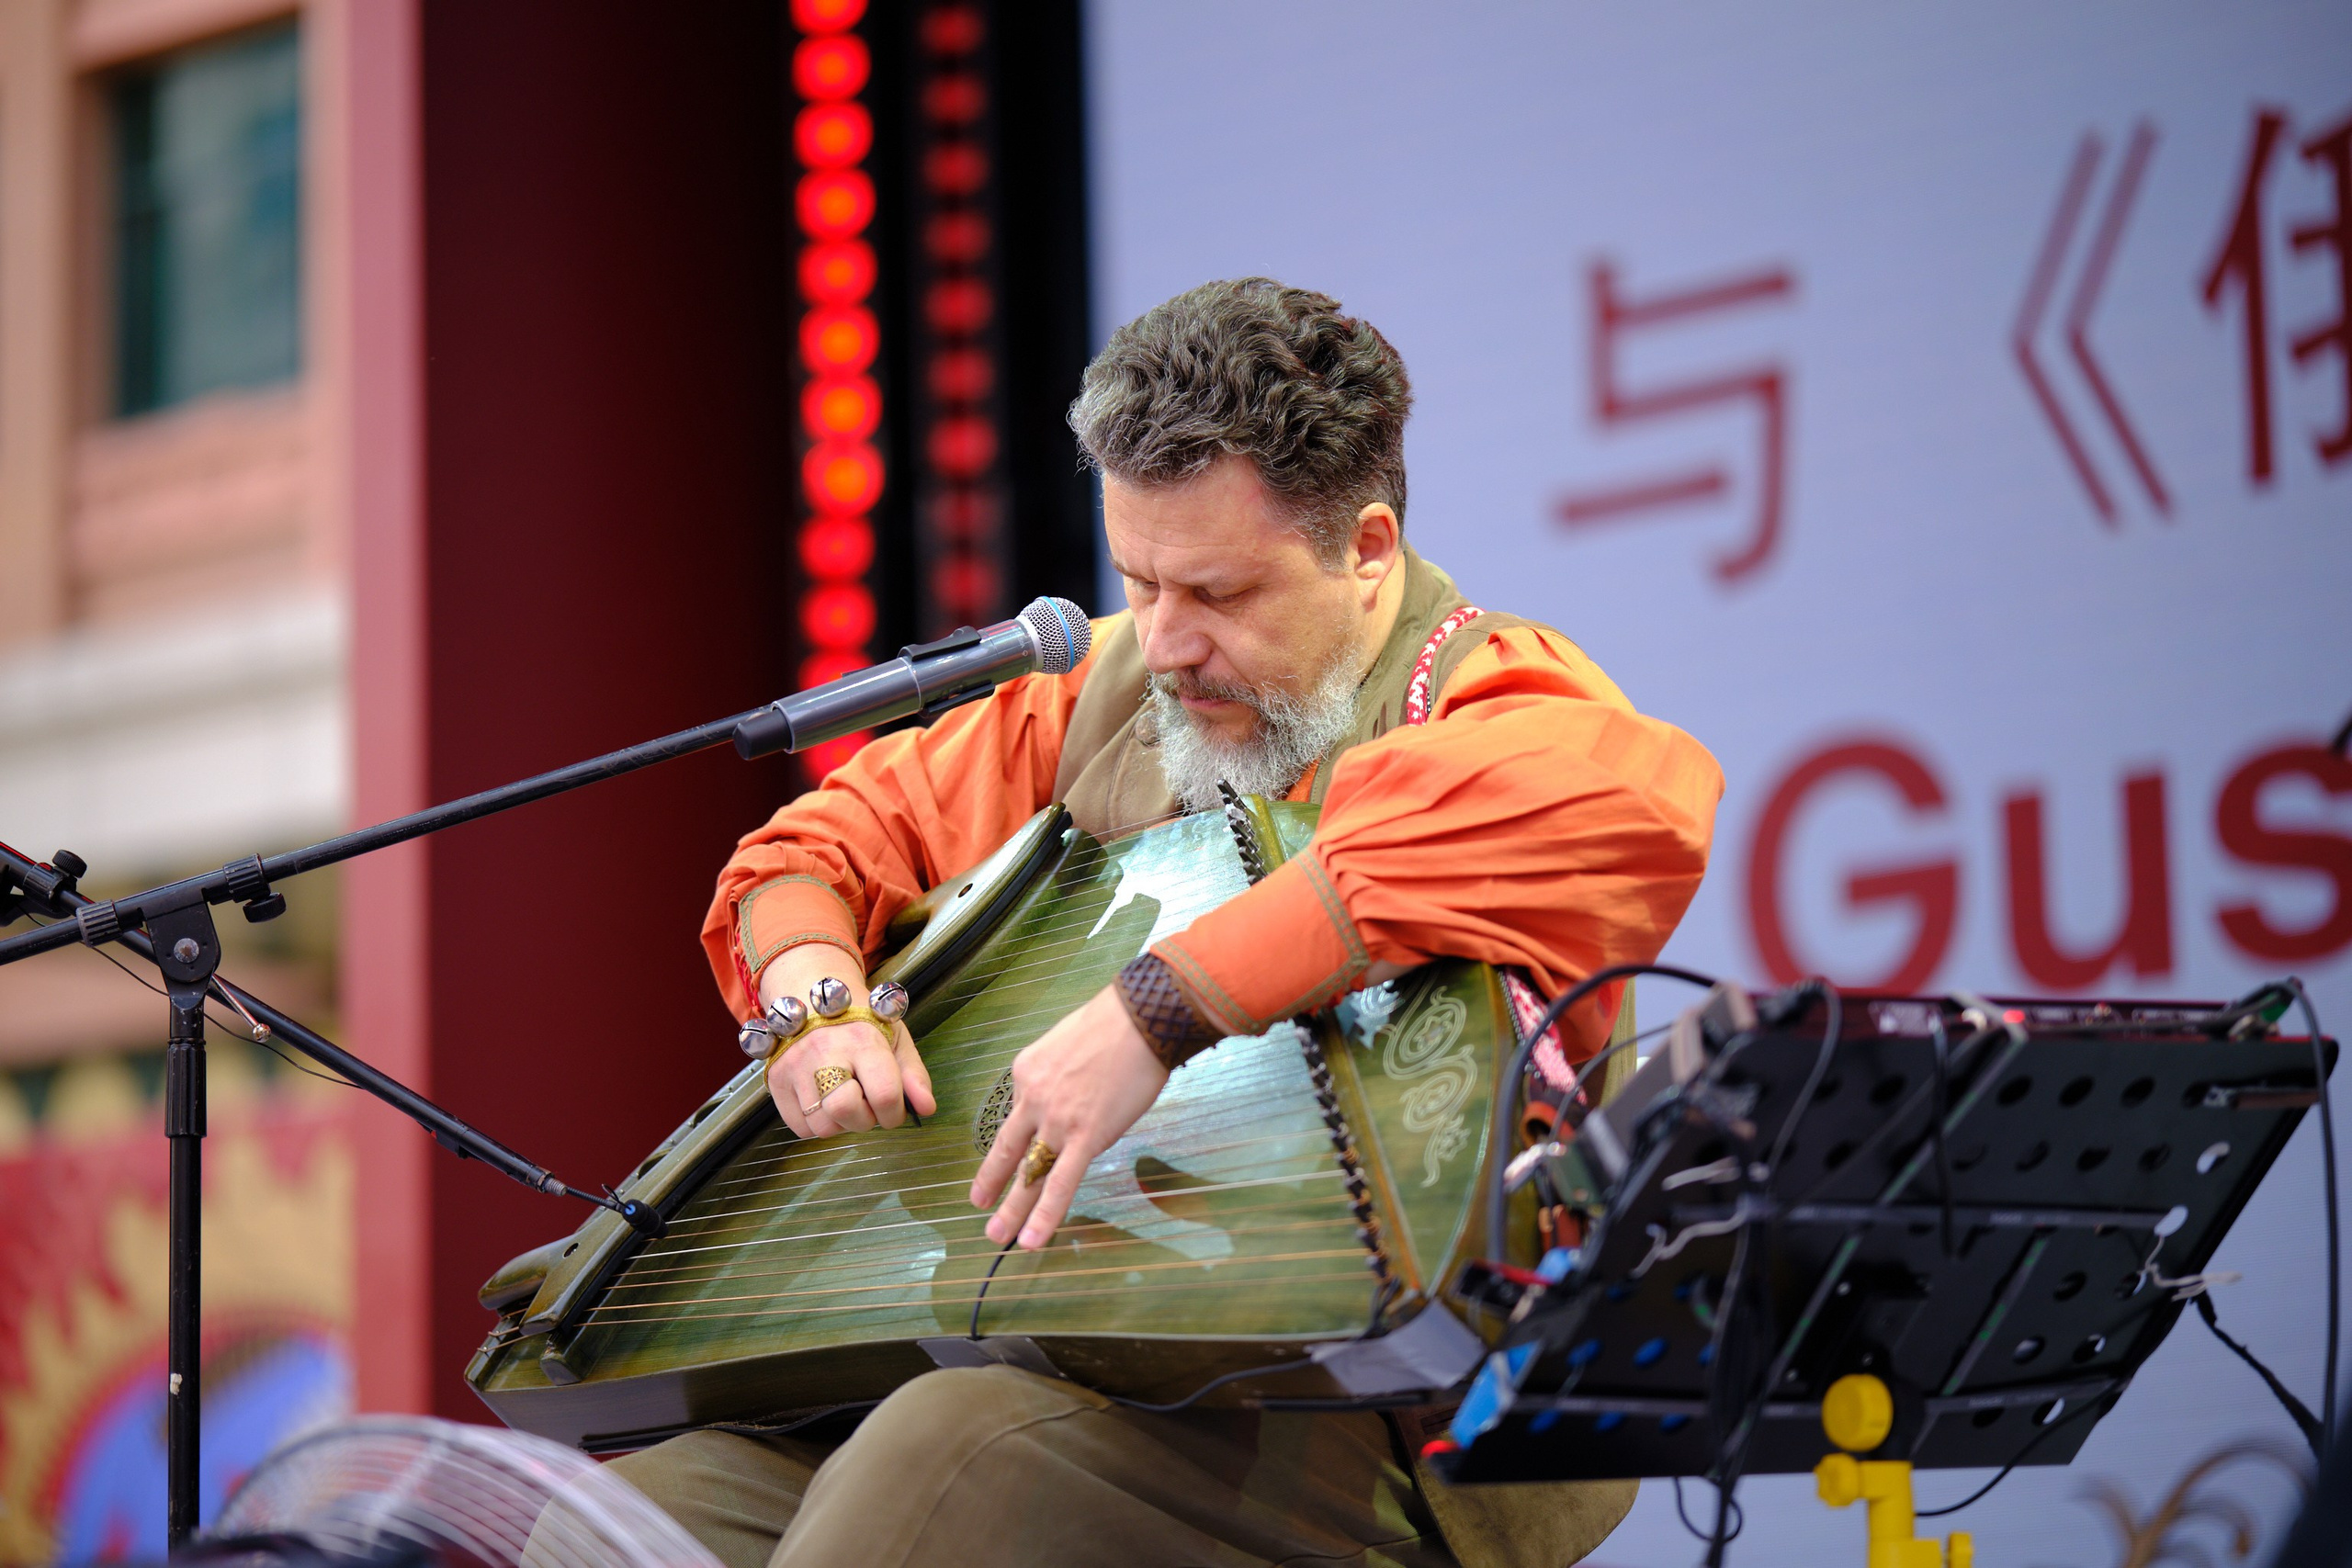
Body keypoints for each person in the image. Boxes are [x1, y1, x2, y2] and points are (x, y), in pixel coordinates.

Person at [611, 279, 1724, 1568]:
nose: (1170, 641)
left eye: (1220, 592)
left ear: (1367, 552)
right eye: (1138, 580)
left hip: (1383, 1412)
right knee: (649, 1512)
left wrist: (1160, 1007)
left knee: (947, 1457)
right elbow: (821, 848)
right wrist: (816, 1000)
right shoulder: (1111, 688)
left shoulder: (1481, 689)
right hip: (1084, 1340)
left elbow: (1639, 797)